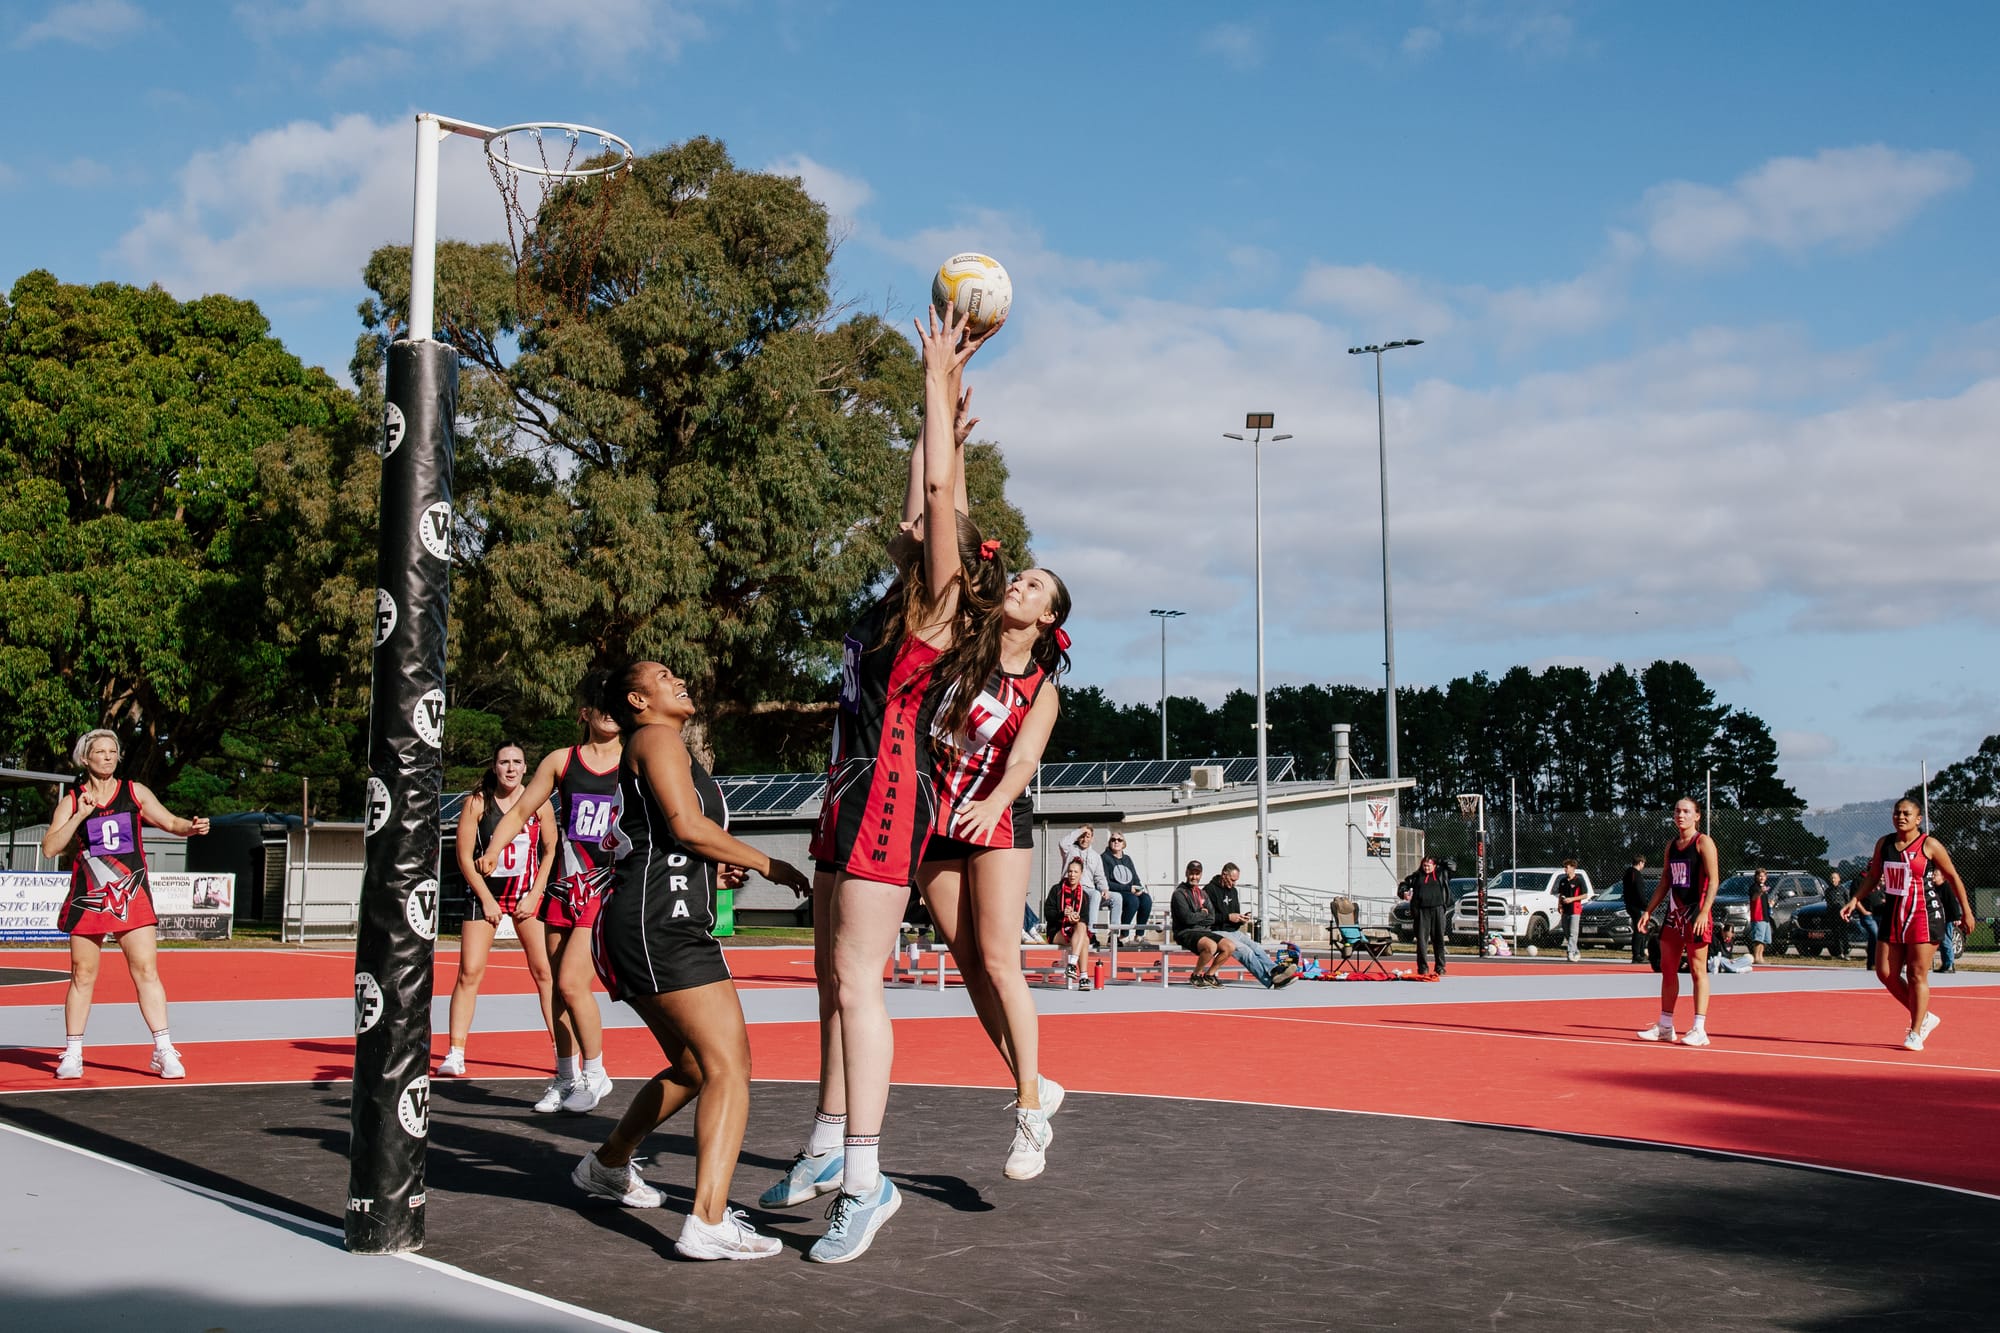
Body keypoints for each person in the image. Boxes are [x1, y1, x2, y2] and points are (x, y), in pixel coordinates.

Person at [762, 302, 999, 1265]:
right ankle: (829, 1144)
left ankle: (869, 1176)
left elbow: (942, 501)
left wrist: (936, 384)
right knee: (829, 976)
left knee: (859, 983)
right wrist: (933, 418)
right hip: (848, 791)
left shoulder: (940, 613)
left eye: (934, 528)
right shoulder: (891, 599)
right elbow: (928, 493)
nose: (915, 526)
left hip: (889, 799)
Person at [567, 660, 810, 1259]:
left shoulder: (665, 745)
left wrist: (712, 864)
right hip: (660, 928)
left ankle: (608, 1164)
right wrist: (766, 863)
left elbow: (671, 838)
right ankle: (707, 1221)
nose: (681, 679)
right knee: (730, 1068)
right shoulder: (655, 737)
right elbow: (686, 825)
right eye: (664, 675)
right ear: (637, 699)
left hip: (648, 924)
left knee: (696, 1068)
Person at [916, 523, 1073, 1177]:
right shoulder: (960, 651)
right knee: (968, 963)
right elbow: (956, 552)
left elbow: (1026, 759)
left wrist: (994, 800)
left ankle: (1030, 1113)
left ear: (1048, 616)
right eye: (1019, 576)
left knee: (1002, 962)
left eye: (1034, 584)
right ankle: (1032, 1077)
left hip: (997, 818)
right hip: (937, 818)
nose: (1020, 583)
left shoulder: (1041, 690)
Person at [478, 672, 623, 1113]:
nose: (610, 714)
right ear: (586, 714)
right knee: (557, 991)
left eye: (617, 706)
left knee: (571, 982)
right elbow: (523, 808)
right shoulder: (563, 760)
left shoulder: (636, 759)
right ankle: (565, 1076)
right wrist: (495, 846)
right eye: (602, 706)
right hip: (563, 887)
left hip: (605, 886)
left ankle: (597, 1073)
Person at [41, 729, 210, 1081]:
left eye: (112, 751)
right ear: (85, 759)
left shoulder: (134, 791)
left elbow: (170, 821)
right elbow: (50, 848)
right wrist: (79, 816)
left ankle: (163, 1050)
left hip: (130, 894)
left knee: (146, 970)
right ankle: (73, 1053)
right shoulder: (73, 799)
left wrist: (190, 828)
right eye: (99, 752)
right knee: (82, 974)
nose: (107, 757)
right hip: (90, 896)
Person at [441, 742, 558, 1078]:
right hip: (485, 895)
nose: (510, 768)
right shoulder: (477, 802)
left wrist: (536, 894)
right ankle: (456, 1051)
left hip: (525, 896)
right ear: (494, 767)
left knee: (545, 974)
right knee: (469, 972)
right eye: (504, 762)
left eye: (517, 762)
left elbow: (550, 851)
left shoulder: (539, 803)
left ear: (525, 767)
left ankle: (560, 1052)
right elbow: (464, 856)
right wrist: (486, 898)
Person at [1840, 799, 1974, 1051]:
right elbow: (1873, 876)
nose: (1900, 817)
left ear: (1918, 819)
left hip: (1924, 915)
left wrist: (1966, 911)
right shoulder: (1885, 843)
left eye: (1906, 813)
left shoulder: (1930, 845)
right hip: (1893, 914)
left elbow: (1953, 877)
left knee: (1915, 974)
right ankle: (1925, 1016)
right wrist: (1854, 900)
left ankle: (1915, 1031)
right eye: (1897, 812)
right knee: (1885, 973)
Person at [1634, 798, 1720, 1047]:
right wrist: (1648, 911)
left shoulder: (1703, 842)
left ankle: (1699, 1029)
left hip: (1696, 914)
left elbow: (1714, 881)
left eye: (1686, 811)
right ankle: (1665, 1026)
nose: (1680, 815)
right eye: (1677, 810)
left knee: (1697, 970)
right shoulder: (1671, 846)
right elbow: (1665, 881)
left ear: (1697, 816)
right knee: (1667, 968)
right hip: (1674, 915)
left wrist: (1704, 912)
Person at [1206, 862, 1300, 989]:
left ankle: (1274, 970)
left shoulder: (1233, 891)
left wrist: (1241, 919)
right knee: (1246, 951)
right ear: (1224, 875)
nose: (1234, 884)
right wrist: (1228, 917)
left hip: (1233, 931)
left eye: (1236, 881)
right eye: (1232, 880)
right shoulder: (1209, 890)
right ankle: (1270, 981)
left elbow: (1235, 914)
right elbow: (1207, 919)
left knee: (1256, 947)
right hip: (1216, 931)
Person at [1169, 860, 1233, 988]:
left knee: (1229, 946)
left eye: (1197, 874)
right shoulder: (1179, 894)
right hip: (1185, 932)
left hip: (1203, 931)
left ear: (1201, 875)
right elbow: (1187, 919)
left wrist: (1198, 916)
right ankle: (1196, 975)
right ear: (1187, 873)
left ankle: (1210, 975)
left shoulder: (1203, 893)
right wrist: (1202, 913)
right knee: (1211, 946)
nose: (1194, 877)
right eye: (1192, 873)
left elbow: (1212, 918)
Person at [1043, 858, 1095, 990]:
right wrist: (1063, 914)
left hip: (1075, 931)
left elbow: (1085, 919)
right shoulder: (1056, 890)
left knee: (1082, 929)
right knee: (1084, 938)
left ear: (1081, 874)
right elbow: (1048, 914)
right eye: (1070, 871)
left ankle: (1073, 966)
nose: (1072, 874)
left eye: (1075, 872)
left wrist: (1075, 918)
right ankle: (1083, 976)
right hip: (1056, 930)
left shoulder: (1084, 896)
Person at [1100, 831, 1153, 943]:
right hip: (1116, 891)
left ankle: (1139, 935)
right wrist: (1129, 889)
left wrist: (1139, 888)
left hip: (1130, 890)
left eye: (1119, 840)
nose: (1116, 842)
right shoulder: (1104, 858)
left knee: (1146, 899)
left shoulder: (1127, 859)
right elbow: (1106, 883)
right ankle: (1123, 934)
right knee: (1133, 900)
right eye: (1113, 840)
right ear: (1109, 843)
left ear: (1124, 843)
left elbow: (1135, 878)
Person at [1405, 854, 1451, 977]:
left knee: (1439, 939)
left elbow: (1452, 865)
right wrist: (1403, 892)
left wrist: (1439, 860)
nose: (1426, 868)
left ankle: (1440, 967)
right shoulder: (1417, 876)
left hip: (1438, 909)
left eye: (1429, 865)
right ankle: (1423, 967)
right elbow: (1404, 884)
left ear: (1434, 865)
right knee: (1422, 941)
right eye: (1424, 865)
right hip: (1421, 911)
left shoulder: (1442, 873)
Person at [1058, 824, 1111, 931]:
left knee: (1117, 899)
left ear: (1092, 838)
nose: (1084, 839)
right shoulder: (1070, 850)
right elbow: (1062, 843)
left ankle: (1115, 937)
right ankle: (1091, 932)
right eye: (1082, 836)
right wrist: (1080, 830)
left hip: (1088, 889)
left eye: (1088, 836)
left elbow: (1099, 876)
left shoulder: (1095, 856)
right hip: (1071, 887)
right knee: (1096, 894)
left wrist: (1104, 888)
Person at [1555, 859, 1590, 962]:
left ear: (1573, 868)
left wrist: (1572, 899)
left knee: (1573, 933)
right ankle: (1576, 951)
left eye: (1567, 867)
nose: (1565, 869)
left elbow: (1585, 895)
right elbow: (1560, 895)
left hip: (1575, 910)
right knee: (1566, 932)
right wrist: (1559, 905)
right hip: (1565, 910)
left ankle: (1570, 952)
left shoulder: (1579, 880)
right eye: (1564, 867)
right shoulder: (1563, 881)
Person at [1620, 855, 1650, 964]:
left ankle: (1640, 953)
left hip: (1630, 904)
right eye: (1643, 863)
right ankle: (1637, 954)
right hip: (1636, 906)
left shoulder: (1628, 873)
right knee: (1639, 929)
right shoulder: (1635, 874)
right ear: (1640, 862)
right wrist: (1645, 906)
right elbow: (1639, 892)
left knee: (1640, 929)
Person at [1931, 867, 1958, 972]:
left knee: (1946, 941)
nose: (1933, 876)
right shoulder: (1933, 888)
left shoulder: (1946, 888)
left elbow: (1953, 903)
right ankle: (1945, 964)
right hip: (1939, 919)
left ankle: (1950, 964)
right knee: (1942, 942)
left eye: (1936, 875)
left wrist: (1957, 917)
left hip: (1948, 918)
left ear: (1942, 877)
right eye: (1933, 874)